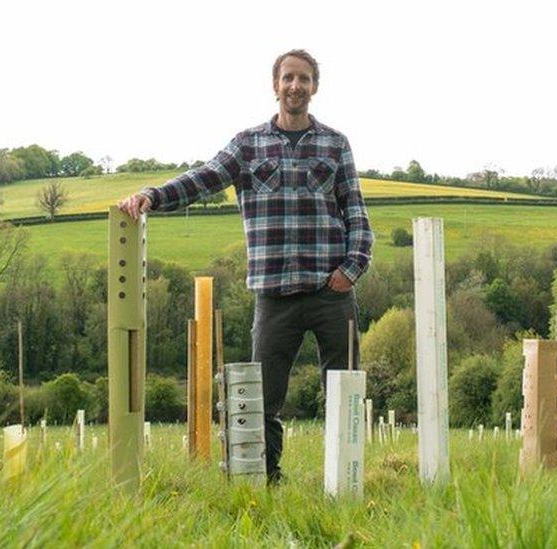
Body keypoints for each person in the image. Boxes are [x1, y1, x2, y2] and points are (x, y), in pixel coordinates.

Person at [117, 49, 374, 485]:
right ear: (275, 85)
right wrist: (153, 196)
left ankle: (345, 482)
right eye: (288, 78)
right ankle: (268, 481)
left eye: (305, 79)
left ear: (315, 87)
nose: (296, 86)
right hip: (273, 295)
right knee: (265, 399)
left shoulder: (335, 143)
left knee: (344, 393)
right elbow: (205, 177)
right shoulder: (247, 145)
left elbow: (356, 213)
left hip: (331, 292)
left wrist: (350, 268)